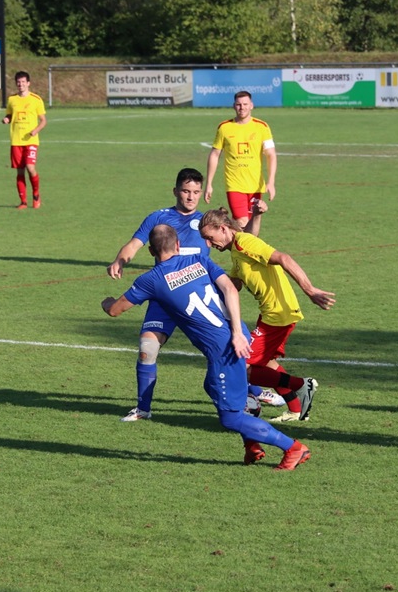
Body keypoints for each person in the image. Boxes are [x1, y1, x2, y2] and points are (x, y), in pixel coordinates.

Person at [103, 224, 312, 470]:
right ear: (178, 245)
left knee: (230, 417)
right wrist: (237, 331)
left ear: (151, 251)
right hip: (239, 336)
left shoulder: (151, 280)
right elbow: (229, 289)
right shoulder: (200, 260)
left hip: (224, 350)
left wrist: (106, 302)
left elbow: (115, 310)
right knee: (211, 386)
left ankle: (293, 447)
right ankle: (252, 445)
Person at [107, 168, 279, 421]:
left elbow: (243, 239)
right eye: (186, 191)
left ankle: (253, 391)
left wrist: (256, 215)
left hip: (200, 298)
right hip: (164, 297)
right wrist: (119, 261)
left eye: (196, 192)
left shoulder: (206, 224)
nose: (190, 197)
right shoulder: (158, 218)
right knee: (147, 348)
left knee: (228, 346)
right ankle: (143, 409)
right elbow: (134, 244)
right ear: (175, 191)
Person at [199, 208, 334, 422]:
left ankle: (301, 385)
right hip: (270, 314)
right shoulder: (236, 250)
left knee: (242, 365)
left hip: (278, 315)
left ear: (223, 228)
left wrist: (310, 289)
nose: (209, 244)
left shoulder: (244, 242)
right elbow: (234, 284)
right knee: (267, 363)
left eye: (209, 237)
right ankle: (296, 409)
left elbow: (283, 258)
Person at [204, 91, 276, 236]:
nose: (242, 107)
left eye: (245, 104)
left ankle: (231, 233)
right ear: (234, 106)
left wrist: (271, 182)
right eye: (238, 104)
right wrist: (209, 184)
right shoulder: (224, 127)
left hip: (256, 185)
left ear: (251, 106)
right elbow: (215, 154)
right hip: (234, 184)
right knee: (243, 223)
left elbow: (271, 154)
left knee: (252, 225)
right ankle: (241, 251)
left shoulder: (262, 127)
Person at [2, 71, 47, 209]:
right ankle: (23, 202)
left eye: (23, 82)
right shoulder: (12, 99)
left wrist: (35, 131)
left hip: (31, 141)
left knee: (30, 167)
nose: (20, 84)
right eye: (18, 82)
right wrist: (6, 119)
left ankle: (36, 194)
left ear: (28, 83)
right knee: (20, 171)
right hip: (16, 141)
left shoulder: (36, 99)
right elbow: (10, 115)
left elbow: (43, 121)